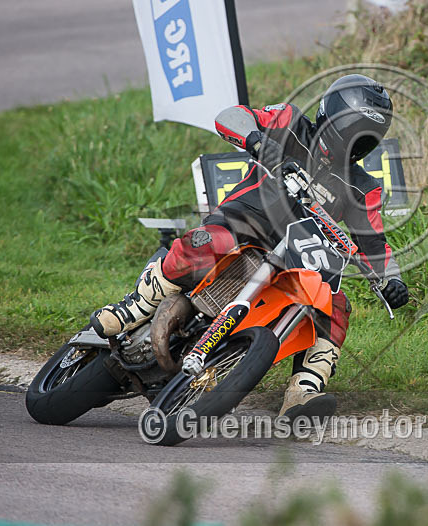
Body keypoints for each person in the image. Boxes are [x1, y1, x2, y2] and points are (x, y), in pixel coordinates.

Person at [90, 74, 409, 420]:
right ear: (329, 113)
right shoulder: (289, 122)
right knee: (203, 243)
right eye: (351, 125)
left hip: (294, 257)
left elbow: (373, 242)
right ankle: (135, 306)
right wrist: (258, 141)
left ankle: (304, 391)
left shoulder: (364, 187)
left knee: (335, 303)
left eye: (366, 133)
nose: (355, 137)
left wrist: (391, 279)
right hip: (242, 223)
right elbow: (231, 116)